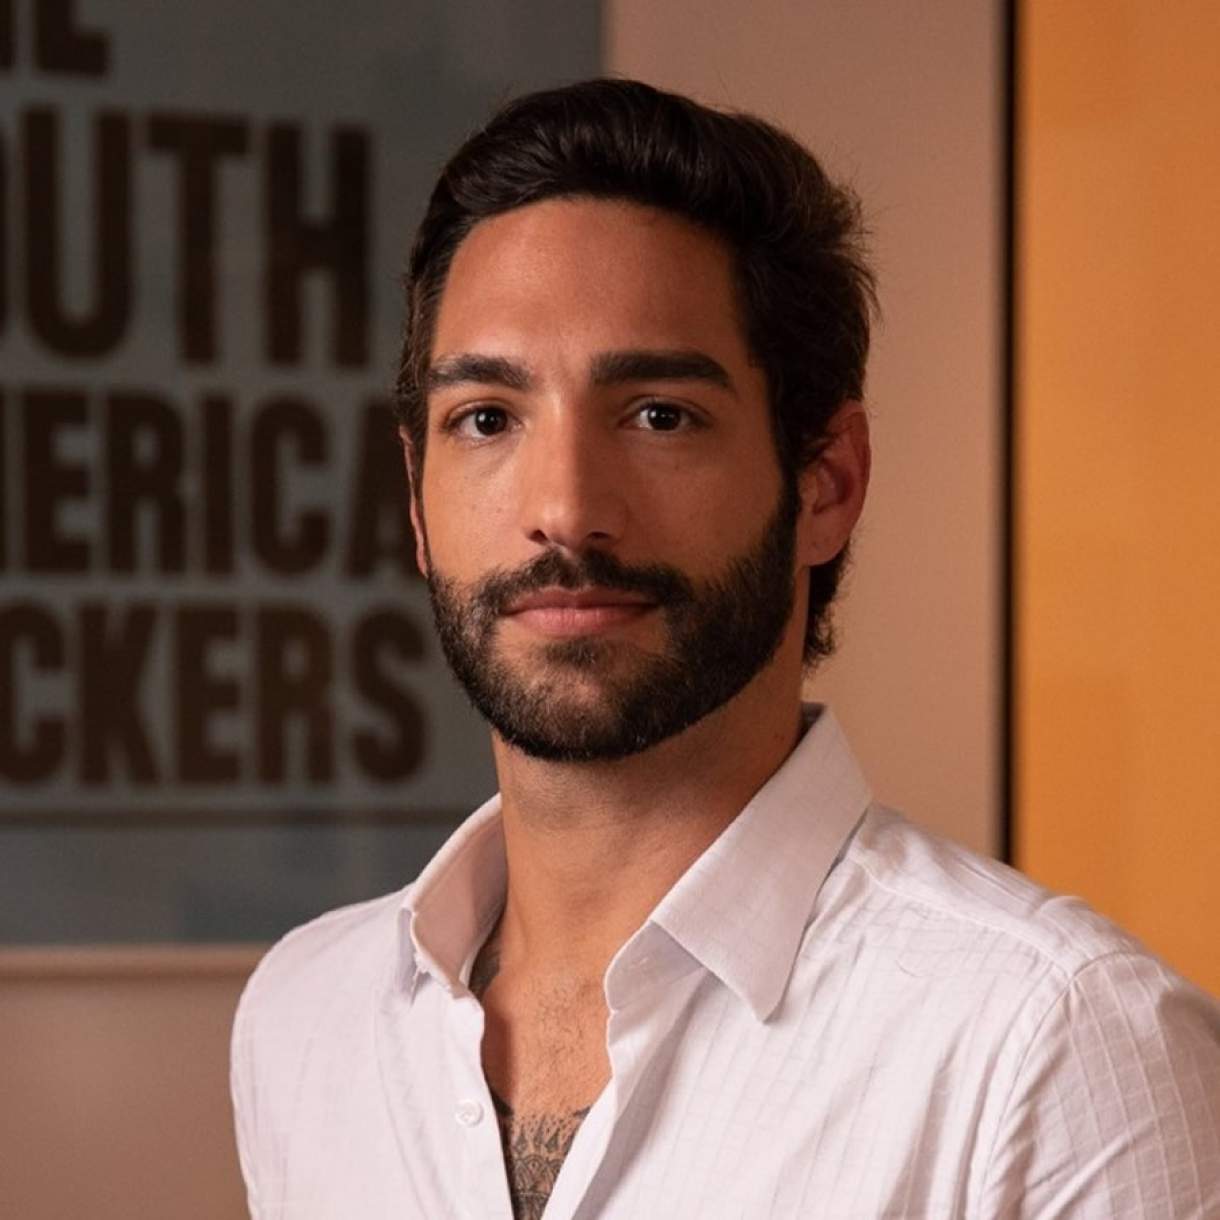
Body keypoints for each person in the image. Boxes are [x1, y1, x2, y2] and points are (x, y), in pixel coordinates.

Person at [230, 78, 1220, 1219]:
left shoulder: (1057, 1050)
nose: (563, 509)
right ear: (416, 498)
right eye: (487, 418)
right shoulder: (306, 1020)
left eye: (659, 414)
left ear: (825, 483)